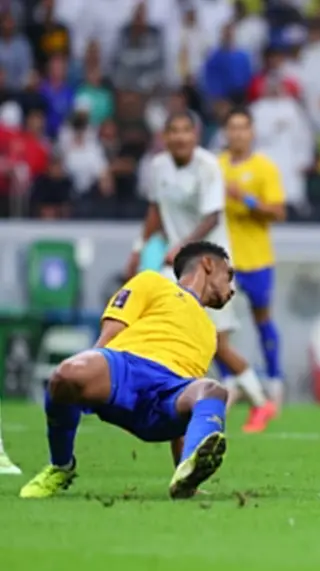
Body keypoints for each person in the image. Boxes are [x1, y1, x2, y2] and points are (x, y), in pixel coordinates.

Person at [20, 242, 234, 499]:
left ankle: (189, 469)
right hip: (125, 370)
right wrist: (87, 376)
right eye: (228, 275)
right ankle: (61, 466)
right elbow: (110, 332)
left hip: (167, 394)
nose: (231, 289)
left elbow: (188, 400)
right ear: (209, 264)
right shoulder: (152, 282)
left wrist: (181, 471)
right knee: (66, 374)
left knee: (212, 390)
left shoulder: (210, 334)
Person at [124, 111, 274, 433]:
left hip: (211, 265)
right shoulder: (158, 166)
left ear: (196, 135)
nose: (179, 137)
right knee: (171, 332)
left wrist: (181, 245)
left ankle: (261, 403)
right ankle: (173, 397)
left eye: (185, 131)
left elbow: (213, 217)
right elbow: (154, 209)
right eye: (173, 131)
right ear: (164, 137)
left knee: (218, 345)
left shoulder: (208, 167)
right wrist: (139, 247)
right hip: (177, 266)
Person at [219, 107, 286, 414]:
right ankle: (228, 382)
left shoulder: (264, 168)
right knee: (218, 328)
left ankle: (274, 381)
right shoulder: (214, 166)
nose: (237, 134)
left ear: (252, 132)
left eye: (243, 128)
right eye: (232, 128)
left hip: (257, 258)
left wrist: (244, 198)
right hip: (222, 261)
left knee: (262, 321)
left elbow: (278, 212)